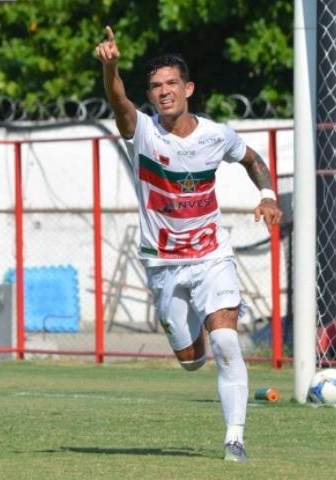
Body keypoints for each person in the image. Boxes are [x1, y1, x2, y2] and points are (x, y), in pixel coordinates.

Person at [95, 27, 283, 462]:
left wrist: (268, 195)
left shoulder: (217, 135)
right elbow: (118, 102)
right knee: (191, 360)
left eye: (171, 83)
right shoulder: (142, 132)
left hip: (212, 255)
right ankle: (190, 330)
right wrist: (111, 69)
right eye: (155, 86)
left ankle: (234, 438)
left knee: (227, 343)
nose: (164, 92)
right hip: (163, 263)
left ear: (188, 88)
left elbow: (252, 159)